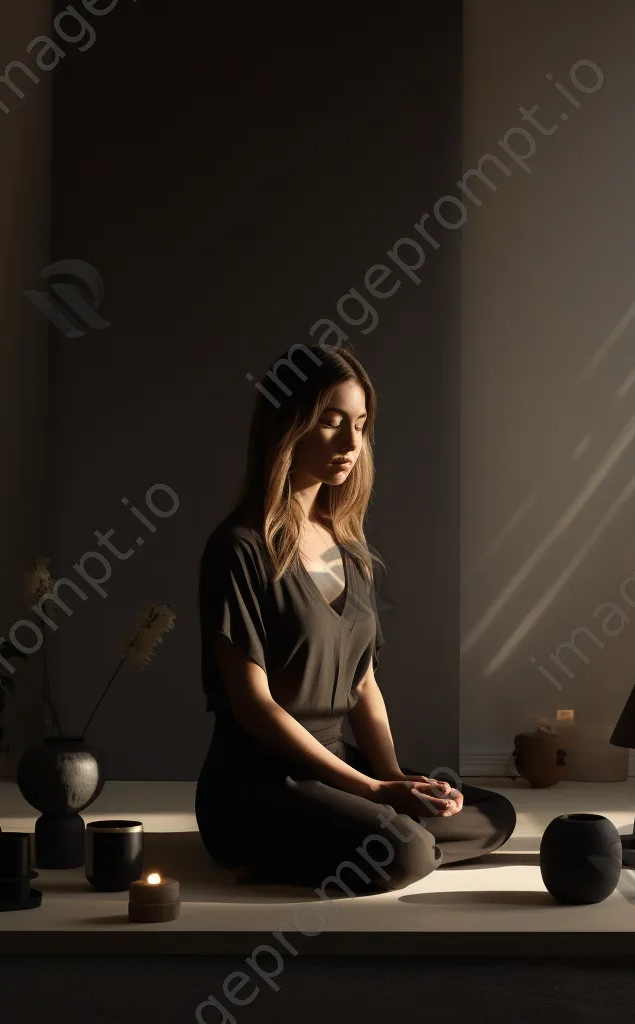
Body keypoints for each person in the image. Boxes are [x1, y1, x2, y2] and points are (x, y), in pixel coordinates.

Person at [195, 343, 516, 892]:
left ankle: (376, 843)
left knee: (493, 814)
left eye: (361, 425)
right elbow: (254, 708)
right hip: (262, 780)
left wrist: (389, 775)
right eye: (330, 422)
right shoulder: (239, 548)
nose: (351, 444)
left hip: (343, 767)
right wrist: (372, 794)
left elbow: (364, 679)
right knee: (405, 851)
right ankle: (274, 849)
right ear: (286, 427)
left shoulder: (347, 545)